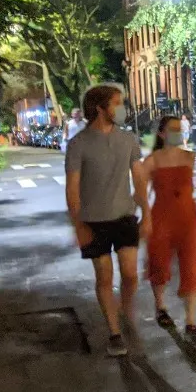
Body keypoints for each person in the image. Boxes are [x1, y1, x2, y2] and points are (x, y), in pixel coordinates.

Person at [65, 85, 151, 357]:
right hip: (94, 222)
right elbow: (72, 188)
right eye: (116, 103)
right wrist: (78, 225)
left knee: (130, 275)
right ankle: (114, 333)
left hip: (124, 217)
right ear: (100, 108)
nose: (122, 108)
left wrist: (147, 213)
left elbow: (138, 178)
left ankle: (125, 312)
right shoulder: (78, 144)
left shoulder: (128, 140)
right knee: (104, 277)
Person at [143, 116, 196, 345]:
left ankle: (191, 321)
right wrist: (144, 218)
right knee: (159, 263)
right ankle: (160, 305)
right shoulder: (151, 161)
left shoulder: (189, 158)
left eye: (180, 129)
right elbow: (142, 193)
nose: (178, 133)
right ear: (161, 134)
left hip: (188, 218)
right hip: (161, 218)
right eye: (173, 129)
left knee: (190, 267)